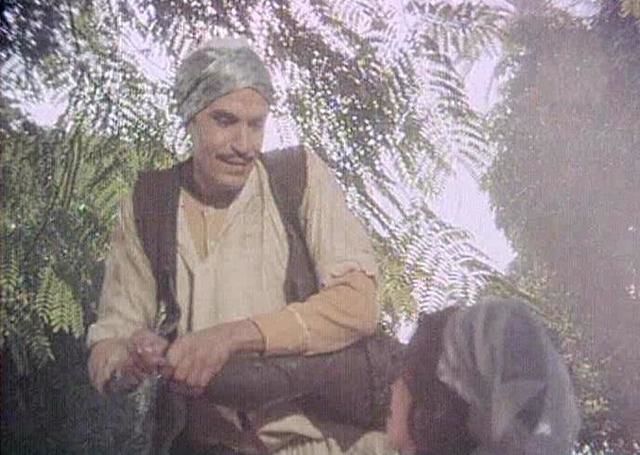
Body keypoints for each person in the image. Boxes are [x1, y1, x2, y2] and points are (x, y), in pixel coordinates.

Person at [86, 37, 384, 454]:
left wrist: (232, 337)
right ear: (191, 118)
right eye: (225, 121)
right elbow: (108, 341)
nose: (244, 145)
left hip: (321, 442)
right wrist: (130, 359)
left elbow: (359, 304)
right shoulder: (149, 204)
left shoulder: (297, 178)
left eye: (256, 124)